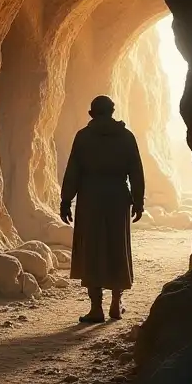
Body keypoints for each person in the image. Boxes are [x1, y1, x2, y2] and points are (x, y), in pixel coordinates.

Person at [59, 95, 145, 323]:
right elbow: (135, 171)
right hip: (117, 196)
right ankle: (116, 302)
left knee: (92, 249)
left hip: (90, 197)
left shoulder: (83, 137)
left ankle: (96, 308)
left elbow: (73, 171)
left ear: (91, 114)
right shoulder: (126, 137)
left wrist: (66, 200)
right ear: (112, 112)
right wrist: (138, 200)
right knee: (117, 246)